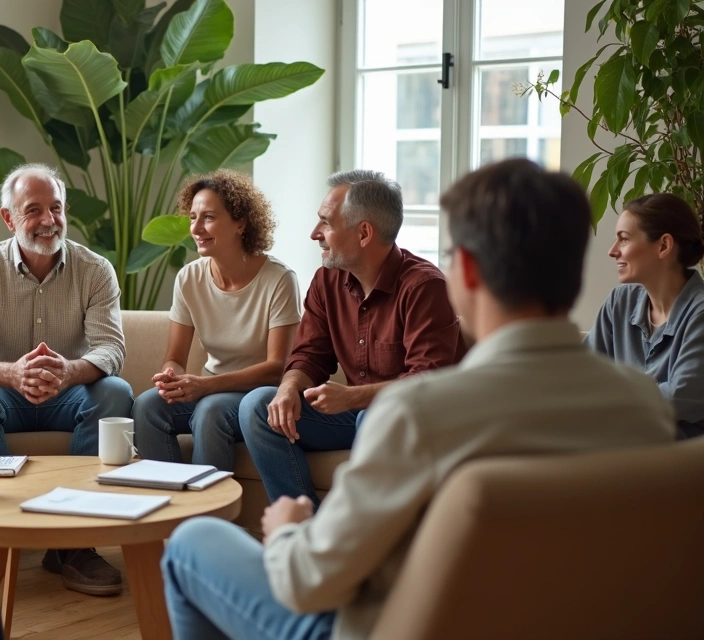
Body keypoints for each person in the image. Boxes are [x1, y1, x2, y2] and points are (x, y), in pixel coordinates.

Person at [161, 158, 677, 640]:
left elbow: (306, 585)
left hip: (392, 625)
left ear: (467, 273)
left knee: (190, 545)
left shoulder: (416, 414)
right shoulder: (645, 405)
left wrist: (290, 532)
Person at [0, 163, 133, 597]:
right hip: (2, 397)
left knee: (114, 391)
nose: (49, 220)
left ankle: (74, 545)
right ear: (9, 218)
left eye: (56, 208)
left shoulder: (95, 268)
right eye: (34, 210)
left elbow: (111, 349)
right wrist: (11, 373)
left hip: (67, 395)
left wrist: (69, 371)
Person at [239, 170, 466, 504]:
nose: (314, 233)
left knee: (373, 417)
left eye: (326, 223)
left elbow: (428, 382)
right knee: (256, 406)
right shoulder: (326, 281)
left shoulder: (424, 287)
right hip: (357, 413)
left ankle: (358, 541)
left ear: (363, 233)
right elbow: (310, 356)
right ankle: (304, 531)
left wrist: (351, 398)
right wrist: (288, 388)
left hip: (417, 420)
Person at [133, 170, 300, 471]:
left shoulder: (279, 279)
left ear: (240, 223)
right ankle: (167, 505)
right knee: (147, 406)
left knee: (210, 410)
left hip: (255, 395)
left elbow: (278, 367)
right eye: (193, 217)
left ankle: (207, 512)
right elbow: (175, 357)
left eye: (208, 217)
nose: (196, 228)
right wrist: (170, 376)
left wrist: (207, 386)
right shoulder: (189, 278)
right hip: (209, 386)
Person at [587, 193, 704, 440]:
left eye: (624, 239)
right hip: (618, 446)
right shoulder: (619, 303)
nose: (612, 251)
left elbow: (681, 397)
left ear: (663, 246)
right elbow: (583, 376)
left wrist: (612, 397)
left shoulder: (700, 312)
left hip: (682, 463)